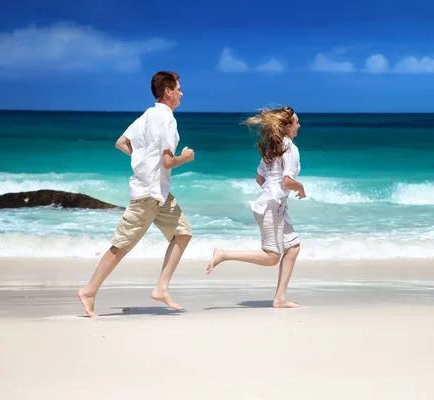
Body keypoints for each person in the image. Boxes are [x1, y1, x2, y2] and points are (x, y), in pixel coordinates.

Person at [78, 71, 194, 318]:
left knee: (182, 233)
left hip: (158, 193)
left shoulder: (147, 115)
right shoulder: (167, 120)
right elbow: (167, 162)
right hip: (148, 194)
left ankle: (161, 288)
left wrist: (143, 160)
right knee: (121, 246)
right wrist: (184, 158)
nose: (182, 93)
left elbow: (121, 142)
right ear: (168, 92)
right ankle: (88, 291)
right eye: (179, 89)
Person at [206, 105, 305, 308]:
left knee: (293, 247)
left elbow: (259, 178)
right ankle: (224, 254)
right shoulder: (291, 149)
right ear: (287, 126)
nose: (299, 125)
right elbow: (287, 182)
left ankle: (280, 298)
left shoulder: (273, 148)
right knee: (271, 258)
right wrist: (300, 187)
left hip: (274, 205)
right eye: (296, 122)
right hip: (272, 207)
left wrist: (272, 191)